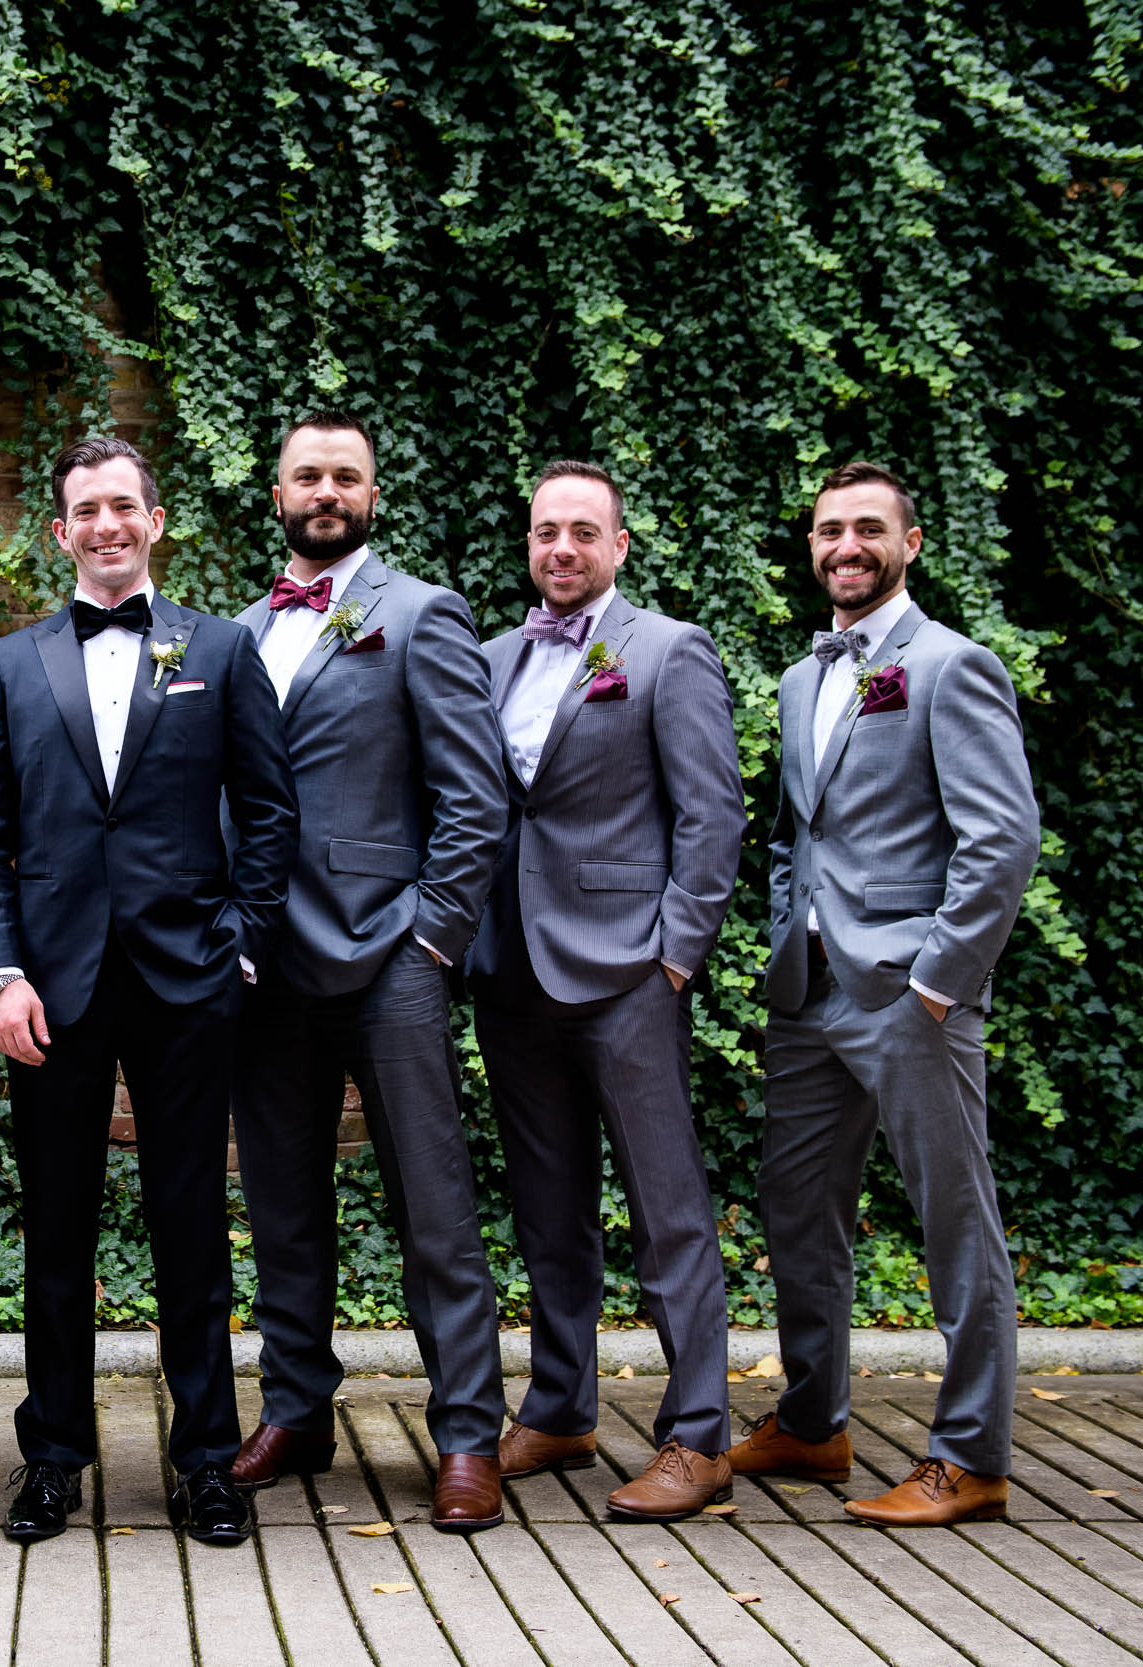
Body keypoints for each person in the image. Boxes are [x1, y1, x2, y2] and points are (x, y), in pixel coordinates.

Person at [0, 434, 298, 1547]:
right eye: (83, 510)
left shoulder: (222, 647)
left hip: (186, 979)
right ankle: (51, 1453)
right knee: (55, 1233)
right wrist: (0, 974)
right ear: (60, 532)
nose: (104, 525)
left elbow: (267, 806)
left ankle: (204, 1456)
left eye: (122, 506)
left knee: (190, 1227)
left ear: (155, 521)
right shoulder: (11, 662)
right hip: (50, 987)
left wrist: (238, 937)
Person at [224, 412, 513, 1531]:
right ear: (278, 490)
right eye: (308, 473)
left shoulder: (419, 613)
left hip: (390, 948)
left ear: (372, 492)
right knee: (284, 1204)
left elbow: (473, 795)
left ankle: (465, 1434)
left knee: (431, 1204)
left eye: (346, 474)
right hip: (270, 964)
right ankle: (295, 1410)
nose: (326, 489)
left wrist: (433, 935)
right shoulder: (240, 631)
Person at [737, 459, 1039, 1527]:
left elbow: (1002, 839)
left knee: (956, 1221)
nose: (845, 546)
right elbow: (792, 831)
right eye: (828, 530)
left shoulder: (952, 666)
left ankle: (972, 1457)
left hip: (911, 996)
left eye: (868, 528)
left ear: (909, 543)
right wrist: (788, 929)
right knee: (796, 1208)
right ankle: (814, 1423)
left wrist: (939, 980)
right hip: (809, 989)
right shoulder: (798, 675)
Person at [463, 458, 746, 1521]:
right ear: (528, 544)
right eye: (545, 532)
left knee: (667, 1209)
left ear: (618, 545)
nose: (562, 549)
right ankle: (562, 1402)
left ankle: (698, 1433)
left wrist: (674, 955)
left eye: (584, 531)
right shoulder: (491, 659)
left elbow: (710, 813)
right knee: (548, 1206)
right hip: (514, 970)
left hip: (629, 970)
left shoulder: (668, 651)